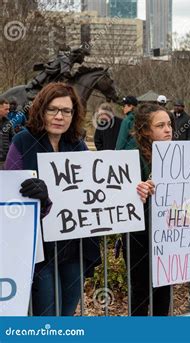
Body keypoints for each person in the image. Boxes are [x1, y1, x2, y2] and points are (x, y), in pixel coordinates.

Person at [5, 82, 100, 315]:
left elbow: (96, 188)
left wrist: (133, 191)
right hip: (39, 251)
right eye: (53, 109)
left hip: (73, 248)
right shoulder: (22, 142)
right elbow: (8, 202)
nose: (60, 116)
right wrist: (38, 199)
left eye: (66, 111)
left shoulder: (77, 145)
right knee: (46, 317)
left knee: (66, 315)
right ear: (41, 110)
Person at [125, 103, 173, 316]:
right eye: (160, 125)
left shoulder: (178, 154)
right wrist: (138, 187)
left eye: (169, 124)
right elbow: (120, 193)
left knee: (164, 286)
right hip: (138, 235)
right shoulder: (131, 156)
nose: (168, 129)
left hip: (167, 231)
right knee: (141, 288)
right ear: (145, 130)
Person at [0, 97, 14, 169]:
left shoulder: (8, 123)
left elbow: (13, 139)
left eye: (9, 109)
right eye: (6, 109)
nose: (8, 111)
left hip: (5, 159)